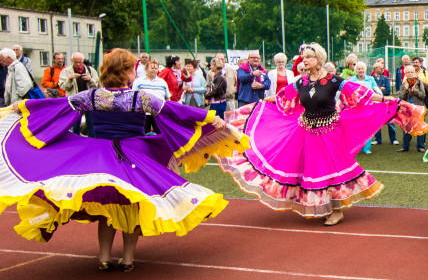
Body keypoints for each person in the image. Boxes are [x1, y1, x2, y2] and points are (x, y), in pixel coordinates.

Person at [0, 48, 245, 268]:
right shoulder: (140, 98)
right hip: (134, 156)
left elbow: (57, 107)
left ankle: (104, 258)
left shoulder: (91, 96)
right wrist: (208, 118)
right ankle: (127, 259)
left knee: (108, 209)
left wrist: (21, 107)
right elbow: (174, 111)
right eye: (131, 68)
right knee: (132, 205)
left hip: (99, 157)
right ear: (127, 72)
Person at [218, 43, 425, 226]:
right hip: (305, 131)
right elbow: (283, 96)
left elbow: (361, 94)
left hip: (329, 131)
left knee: (331, 168)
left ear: (319, 61)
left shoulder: (334, 80)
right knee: (308, 168)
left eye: (309, 57)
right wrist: (264, 103)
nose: (305, 60)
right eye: (304, 57)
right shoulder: (301, 82)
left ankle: (336, 210)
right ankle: (320, 205)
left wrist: (386, 99)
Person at [352, 61, 383, 154]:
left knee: (368, 127)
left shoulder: (370, 79)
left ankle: (366, 148)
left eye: (362, 69)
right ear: (356, 70)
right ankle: (356, 148)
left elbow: (376, 90)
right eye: (359, 69)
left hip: (368, 107)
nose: (361, 70)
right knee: (356, 128)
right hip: (356, 108)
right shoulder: (351, 80)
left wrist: (380, 98)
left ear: (365, 70)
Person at [397, 65, 428, 152]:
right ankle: (405, 146)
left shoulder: (419, 82)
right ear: (405, 74)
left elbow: (423, 95)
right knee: (406, 127)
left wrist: (415, 91)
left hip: (418, 107)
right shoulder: (404, 84)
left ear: (414, 73)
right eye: (408, 72)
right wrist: (406, 89)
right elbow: (401, 98)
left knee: (419, 126)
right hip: (407, 108)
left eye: (411, 72)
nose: (410, 74)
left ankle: (420, 146)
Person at [372, 59, 398, 146]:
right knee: (376, 121)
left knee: (390, 121)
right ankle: (378, 139)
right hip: (375, 104)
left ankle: (393, 139)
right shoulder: (371, 79)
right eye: (381, 68)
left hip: (385, 103)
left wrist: (377, 91)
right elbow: (370, 92)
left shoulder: (386, 78)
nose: (383, 70)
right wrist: (380, 89)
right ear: (375, 68)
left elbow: (388, 90)